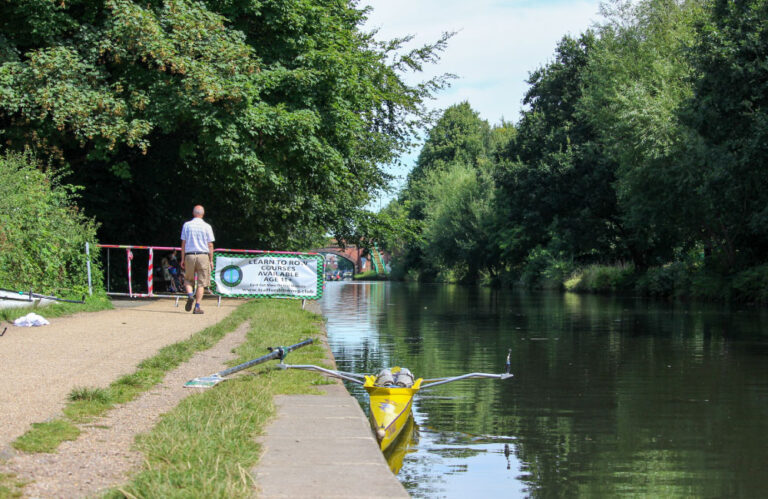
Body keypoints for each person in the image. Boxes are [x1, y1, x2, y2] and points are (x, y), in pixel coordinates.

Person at [180, 205, 215, 314]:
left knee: (188, 280)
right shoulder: (207, 226)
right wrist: (211, 260)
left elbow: (183, 244)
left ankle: (190, 295)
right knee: (201, 283)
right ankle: (197, 307)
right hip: (203, 256)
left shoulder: (187, 225)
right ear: (202, 214)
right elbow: (210, 245)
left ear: (193, 213)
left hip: (189, 255)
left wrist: (182, 258)